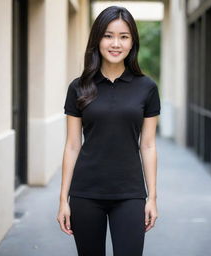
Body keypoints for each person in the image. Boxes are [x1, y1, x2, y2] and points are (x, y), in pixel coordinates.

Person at [57, 5, 161, 256]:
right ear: (97, 40)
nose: (116, 43)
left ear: (132, 42)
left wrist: (152, 198)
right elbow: (72, 145)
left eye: (124, 37)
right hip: (86, 193)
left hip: (130, 194)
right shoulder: (79, 87)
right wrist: (63, 200)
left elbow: (148, 145)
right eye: (108, 35)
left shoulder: (146, 87)